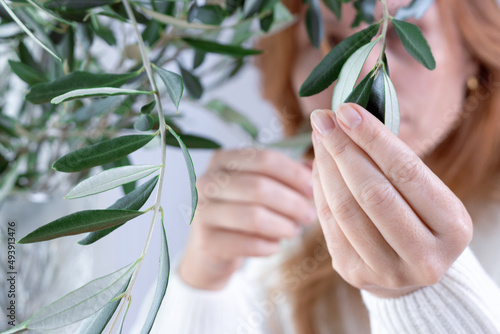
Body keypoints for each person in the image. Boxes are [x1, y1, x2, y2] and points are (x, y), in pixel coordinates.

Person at [134, 0, 500, 332]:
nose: (362, 72)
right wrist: (204, 281)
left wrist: (424, 297)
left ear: (472, 52)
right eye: (330, 41)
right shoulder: (286, 240)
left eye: (399, 34)